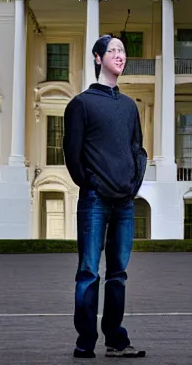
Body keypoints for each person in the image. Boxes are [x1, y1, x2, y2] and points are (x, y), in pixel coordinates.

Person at [63, 34, 147, 359]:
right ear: (98, 58)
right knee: (87, 272)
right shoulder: (81, 104)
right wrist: (91, 183)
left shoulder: (129, 107)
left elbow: (137, 148)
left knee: (118, 274)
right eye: (112, 50)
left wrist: (133, 184)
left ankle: (115, 340)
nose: (119, 55)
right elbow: (72, 153)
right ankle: (85, 343)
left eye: (123, 51)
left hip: (125, 202)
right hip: (95, 200)